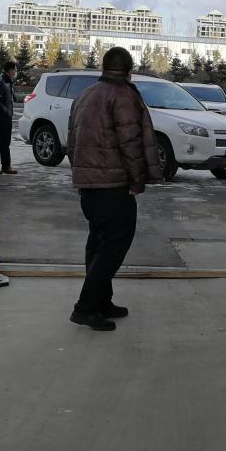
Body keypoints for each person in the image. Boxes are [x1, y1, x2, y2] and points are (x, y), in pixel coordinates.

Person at [67, 46, 161, 331]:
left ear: (103, 68)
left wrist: (81, 175)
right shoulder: (123, 96)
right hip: (113, 185)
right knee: (114, 246)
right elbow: (130, 143)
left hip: (89, 185)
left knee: (98, 242)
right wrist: (136, 181)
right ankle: (85, 308)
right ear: (129, 72)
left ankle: (101, 301)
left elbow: (72, 141)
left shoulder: (85, 95)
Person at [0, 59, 17, 174]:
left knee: (6, 143)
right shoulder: (1, 81)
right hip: (0, 118)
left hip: (7, 118)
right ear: (10, 70)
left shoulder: (8, 81)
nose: (15, 73)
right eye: (14, 70)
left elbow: (9, 97)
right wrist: (5, 110)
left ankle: (6, 166)